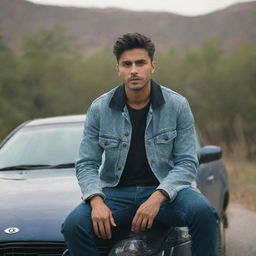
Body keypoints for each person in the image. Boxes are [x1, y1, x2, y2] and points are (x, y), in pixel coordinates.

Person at [61, 32, 219, 256]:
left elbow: (186, 162)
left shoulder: (177, 105)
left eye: (140, 63)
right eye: (126, 64)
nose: (133, 69)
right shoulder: (100, 108)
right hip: (116, 193)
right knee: (73, 225)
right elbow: (86, 163)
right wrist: (96, 201)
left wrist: (157, 197)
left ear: (152, 66)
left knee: (205, 214)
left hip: (165, 191)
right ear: (118, 68)